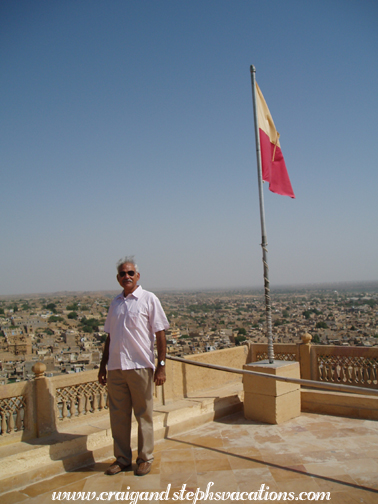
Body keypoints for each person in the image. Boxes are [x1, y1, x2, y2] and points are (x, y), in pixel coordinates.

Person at [98, 256, 169, 476]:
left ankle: (145, 457)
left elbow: (160, 334)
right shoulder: (115, 303)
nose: (126, 276)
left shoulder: (148, 299)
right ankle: (122, 459)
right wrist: (103, 366)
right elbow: (110, 337)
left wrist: (161, 365)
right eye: (122, 273)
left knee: (143, 415)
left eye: (130, 273)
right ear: (118, 278)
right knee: (118, 416)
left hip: (140, 366)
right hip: (117, 367)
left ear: (137, 276)